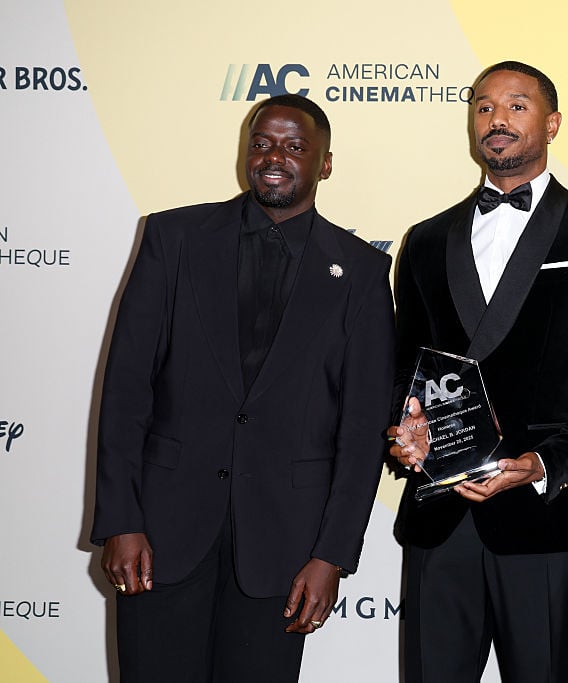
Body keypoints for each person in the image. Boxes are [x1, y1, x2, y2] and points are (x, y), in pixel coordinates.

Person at [91, 94, 395, 682]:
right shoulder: (173, 238)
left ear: (325, 164)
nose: (273, 156)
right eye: (260, 143)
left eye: (294, 146)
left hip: (283, 548)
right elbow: (126, 391)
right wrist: (121, 519)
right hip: (161, 534)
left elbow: (360, 433)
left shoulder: (360, 272)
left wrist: (331, 555)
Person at [387, 61, 568, 683]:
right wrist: (403, 427)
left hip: (547, 518)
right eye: (482, 107)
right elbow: (402, 369)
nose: (496, 119)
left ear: (552, 123)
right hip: (440, 514)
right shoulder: (424, 240)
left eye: (516, 106)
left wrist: (544, 464)